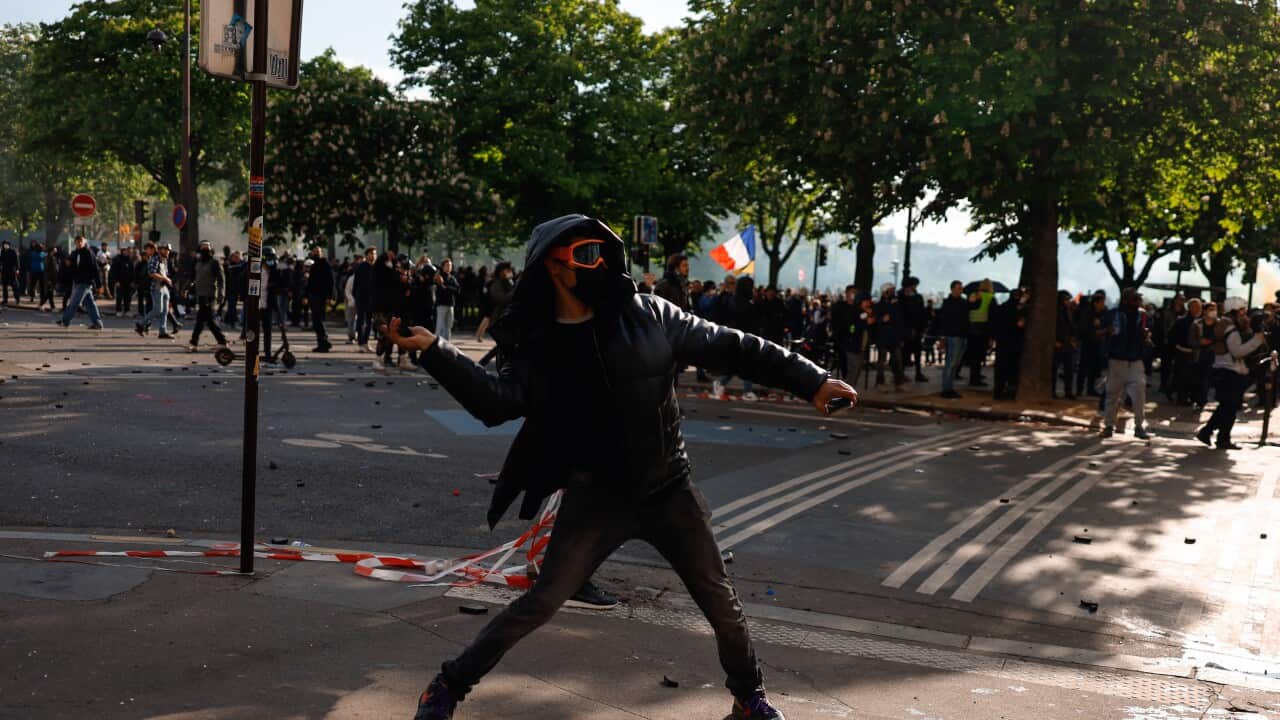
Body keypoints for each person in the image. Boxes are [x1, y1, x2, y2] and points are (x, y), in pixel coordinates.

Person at [391, 214, 856, 720]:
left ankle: (749, 700)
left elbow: (734, 346)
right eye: (589, 254)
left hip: (669, 489)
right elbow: (497, 401)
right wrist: (436, 352)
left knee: (722, 605)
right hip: (597, 497)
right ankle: (447, 686)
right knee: (541, 603)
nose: (604, 263)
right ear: (554, 265)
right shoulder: (537, 341)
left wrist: (812, 381)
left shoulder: (651, 314)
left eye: (606, 253)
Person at [1197, 297, 1267, 449]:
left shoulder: (1226, 325)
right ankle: (1215, 435)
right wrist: (1257, 340)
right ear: (1234, 311)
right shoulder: (1230, 328)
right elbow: (1237, 351)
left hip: (1226, 371)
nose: (1244, 314)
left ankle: (1216, 435)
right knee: (1228, 407)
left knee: (1227, 407)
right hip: (1229, 373)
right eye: (1242, 311)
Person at [1100, 288, 1152, 439]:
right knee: (1113, 394)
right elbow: (1103, 331)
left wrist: (1146, 335)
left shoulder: (1142, 315)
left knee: (1139, 395)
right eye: (1135, 299)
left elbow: (1147, 332)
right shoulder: (1114, 314)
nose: (1138, 302)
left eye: (1138, 299)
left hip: (1135, 360)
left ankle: (1139, 426)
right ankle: (1109, 425)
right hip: (1117, 359)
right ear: (1126, 300)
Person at [187, 241, 229, 352]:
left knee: (207, 320)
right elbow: (193, 278)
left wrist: (221, 294)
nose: (205, 250)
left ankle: (196, 342)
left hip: (210, 295)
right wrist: (188, 289)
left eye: (207, 248)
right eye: (203, 248)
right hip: (200, 294)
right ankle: (196, 342)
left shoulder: (214, 262)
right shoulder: (197, 262)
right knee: (203, 320)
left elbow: (221, 279)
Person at [56, 235, 104, 329]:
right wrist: (68, 264)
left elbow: (95, 269)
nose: (79, 243)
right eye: (77, 242)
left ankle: (65, 321)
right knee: (90, 304)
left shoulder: (88, 253)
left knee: (74, 302)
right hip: (77, 281)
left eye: (80, 241)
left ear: (84, 242)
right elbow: (71, 266)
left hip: (85, 281)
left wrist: (99, 285)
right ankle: (97, 323)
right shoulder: (75, 253)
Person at [936, 280, 973, 399]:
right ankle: (946, 389)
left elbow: (968, 312)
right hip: (953, 336)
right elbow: (943, 321)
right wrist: (942, 338)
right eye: (958, 288)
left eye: (960, 288)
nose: (960, 290)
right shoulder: (948, 303)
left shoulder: (963, 302)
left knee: (955, 363)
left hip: (962, 335)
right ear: (952, 289)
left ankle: (949, 387)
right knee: (951, 363)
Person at [135, 242, 175, 338]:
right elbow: (152, 273)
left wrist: (168, 280)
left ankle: (162, 331)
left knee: (165, 311)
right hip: (157, 288)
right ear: (160, 250)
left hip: (164, 288)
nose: (167, 252)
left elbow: (164, 273)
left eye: (168, 250)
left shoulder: (164, 259)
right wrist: (165, 279)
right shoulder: (155, 259)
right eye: (165, 250)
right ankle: (141, 324)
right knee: (157, 310)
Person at [304, 246, 334, 352]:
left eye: (318, 252)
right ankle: (321, 343)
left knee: (318, 320)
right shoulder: (314, 266)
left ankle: (324, 341)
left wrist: (329, 297)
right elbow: (311, 283)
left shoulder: (325, 265)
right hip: (314, 296)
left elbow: (330, 282)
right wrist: (306, 296)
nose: (317, 253)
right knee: (316, 321)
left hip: (321, 297)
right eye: (315, 252)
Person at [900, 277, 928, 382]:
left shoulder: (918, 297)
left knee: (917, 352)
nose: (914, 287)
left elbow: (922, 313)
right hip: (906, 330)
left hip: (917, 329)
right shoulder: (901, 297)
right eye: (913, 285)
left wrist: (923, 327)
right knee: (904, 353)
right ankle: (900, 374)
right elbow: (902, 314)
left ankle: (918, 372)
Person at [1053, 290, 1078, 399]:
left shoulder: (1069, 312)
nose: (1068, 302)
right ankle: (1052, 391)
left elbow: (1072, 327)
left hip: (1068, 344)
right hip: (1058, 343)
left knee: (1069, 369)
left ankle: (1068, 391)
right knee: (1054, 369)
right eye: (1066, 300)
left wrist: (1073, 340)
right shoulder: (1055, 312)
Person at [434, 258, 460, 340]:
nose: (449, 267)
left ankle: (446, 344)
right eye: (447, 265)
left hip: (450, 304)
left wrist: (445, 286)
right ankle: (436, 344)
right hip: (442, 304)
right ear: (443, 266)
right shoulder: (439, 276)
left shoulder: (452, 277)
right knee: (440, 326)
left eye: (450, 265)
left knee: (448, 326)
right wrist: (446, 287)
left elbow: (458, 289)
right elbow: (441, 289)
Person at [0, 240, 18, 305]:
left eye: (6, 244)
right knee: (4, 286)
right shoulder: (2, 252)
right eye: (4, 244)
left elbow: (16, 261)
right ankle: (5, 299)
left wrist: (17, 269)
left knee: (14, 286)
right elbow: (1, 260)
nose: (5, 245)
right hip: (4, 271)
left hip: (11, 271)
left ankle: (17, 298)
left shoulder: (12, 252)